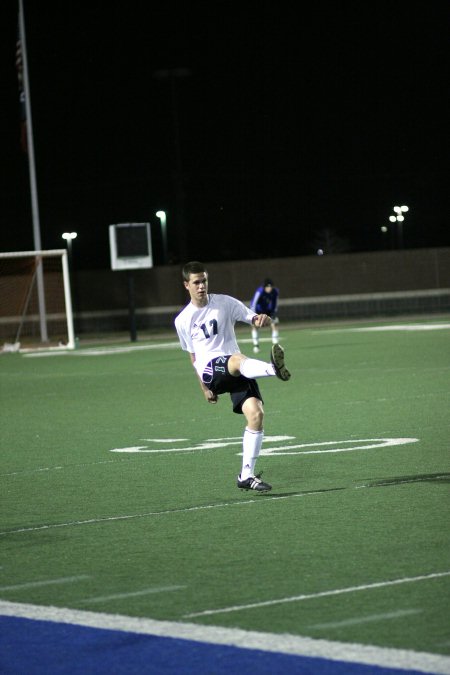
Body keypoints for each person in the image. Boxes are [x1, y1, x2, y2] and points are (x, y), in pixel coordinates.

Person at [174, 261, 291, 492]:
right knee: (237, 359)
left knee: (256, 414)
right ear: (186, 285)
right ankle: (272, 369)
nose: (201, 286)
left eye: (204, 281)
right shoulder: (183, 320)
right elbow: (194, 358)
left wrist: (261, 319)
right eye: (196, 282)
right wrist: (204, 388)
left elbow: (252, 317)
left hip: (238, 369)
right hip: (212, 371)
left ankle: (246, 475)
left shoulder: (225, 303)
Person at [250, 278, 280, 353]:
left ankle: (275, 346)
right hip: (258, 310)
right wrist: (253, 314)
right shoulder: (260, 291)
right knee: (255, 326)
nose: (269, 288)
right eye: (267, 287)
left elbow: (275, 303)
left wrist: (273, 313)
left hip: (268, 310)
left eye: (270, 287)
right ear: (264, 287)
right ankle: (256, 345)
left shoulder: (275, 291)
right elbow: (254, 303)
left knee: (274, 324)